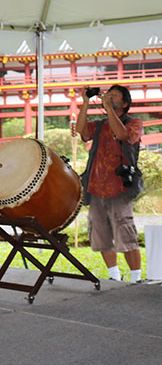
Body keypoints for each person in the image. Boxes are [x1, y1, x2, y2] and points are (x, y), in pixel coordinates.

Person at [76, 84, 144, 282]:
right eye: (109, 94)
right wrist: (86, 101)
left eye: (114, 96)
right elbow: (81, 131)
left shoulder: (134, 122)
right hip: (96, 188)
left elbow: (123, 135)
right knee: (101, 234)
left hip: (120, 187)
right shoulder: (99, 125)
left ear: (124, 103)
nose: (109, 97)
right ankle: (114, 277)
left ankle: (136, 279)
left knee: (125, 232)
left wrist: (107, 108)